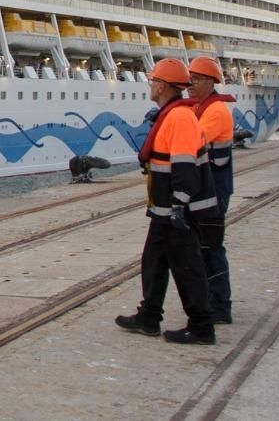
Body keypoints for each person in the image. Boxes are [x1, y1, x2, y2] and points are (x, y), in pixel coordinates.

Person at [116, 58, 220, 344]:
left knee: (187, 268)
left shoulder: (179, 117)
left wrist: (178, 205)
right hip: (164, 210)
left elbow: (185, 166)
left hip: (179, 211)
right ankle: (149, 317)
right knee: (154, 263)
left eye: (153, 81)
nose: (150, 86)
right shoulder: (171, 114)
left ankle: (202, 327)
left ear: (162, 86)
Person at [189, 56, 236, 324]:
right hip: (208, 187)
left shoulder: (215, 111)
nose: (189, 84)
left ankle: (220, 305)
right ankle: (212, 301)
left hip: (215, 189)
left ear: (209, 81)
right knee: (204, 247)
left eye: (195, 79)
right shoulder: (203, 107)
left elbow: (195, 140)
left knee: (211, 247)